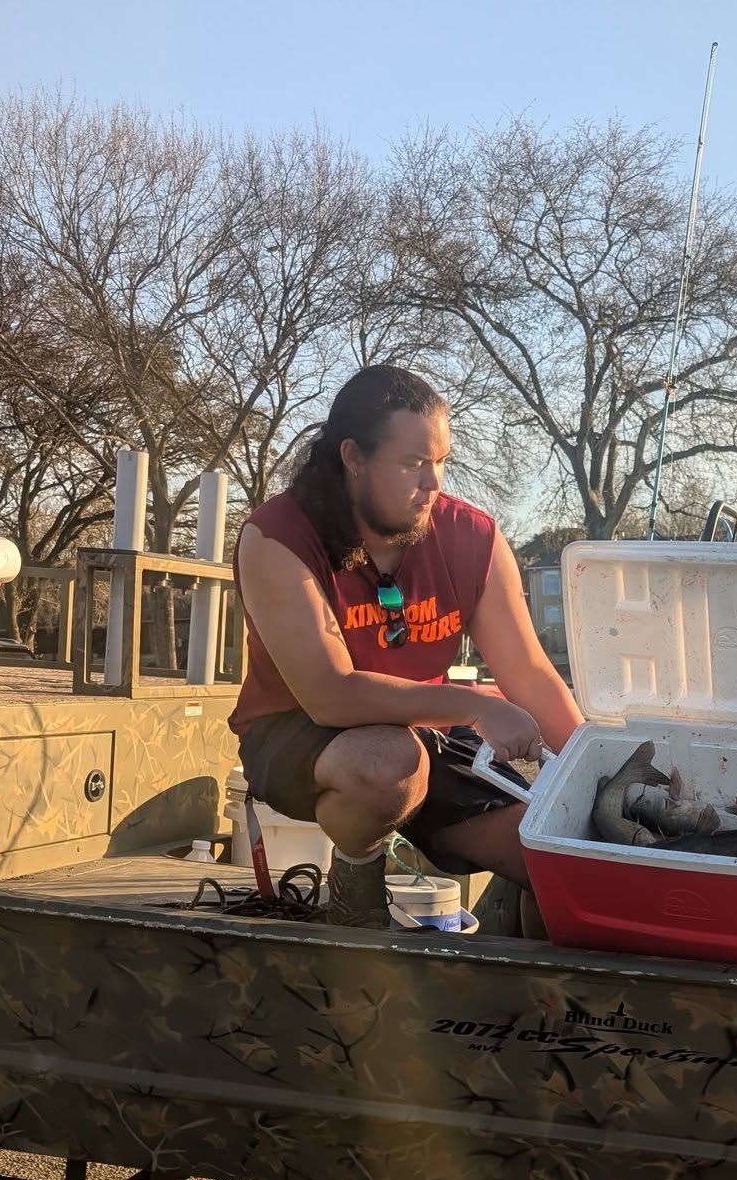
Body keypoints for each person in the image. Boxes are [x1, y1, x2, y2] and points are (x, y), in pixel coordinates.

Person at [231, 364, 582, 928]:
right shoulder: (277, 536)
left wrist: (596, 773)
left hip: (428, 730)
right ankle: (356, 880)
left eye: (440, 461)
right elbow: (331, 696)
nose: (433, 482)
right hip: (298, 728)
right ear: (353, 457)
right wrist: (476, 706)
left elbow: (531, 675)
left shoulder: (474, 537)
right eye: (412, 463)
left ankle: (517, 981)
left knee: (561, 860)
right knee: (389, 763)